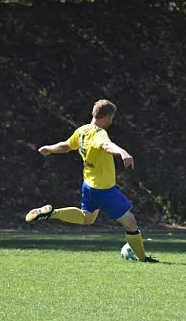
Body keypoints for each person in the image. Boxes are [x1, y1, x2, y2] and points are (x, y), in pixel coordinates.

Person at [25, 99, 159, 262]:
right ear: (107, 116)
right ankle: (143, 259)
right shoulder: (98, 133)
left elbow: (67, 145)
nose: (112, 121)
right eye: (112, 118)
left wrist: (49, 149)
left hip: (89, 184)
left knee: (86, 217)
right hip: (104, 189)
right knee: (130, 222)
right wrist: (122, 152)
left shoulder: (82, 131)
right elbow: (106, 145)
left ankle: (51, 213)